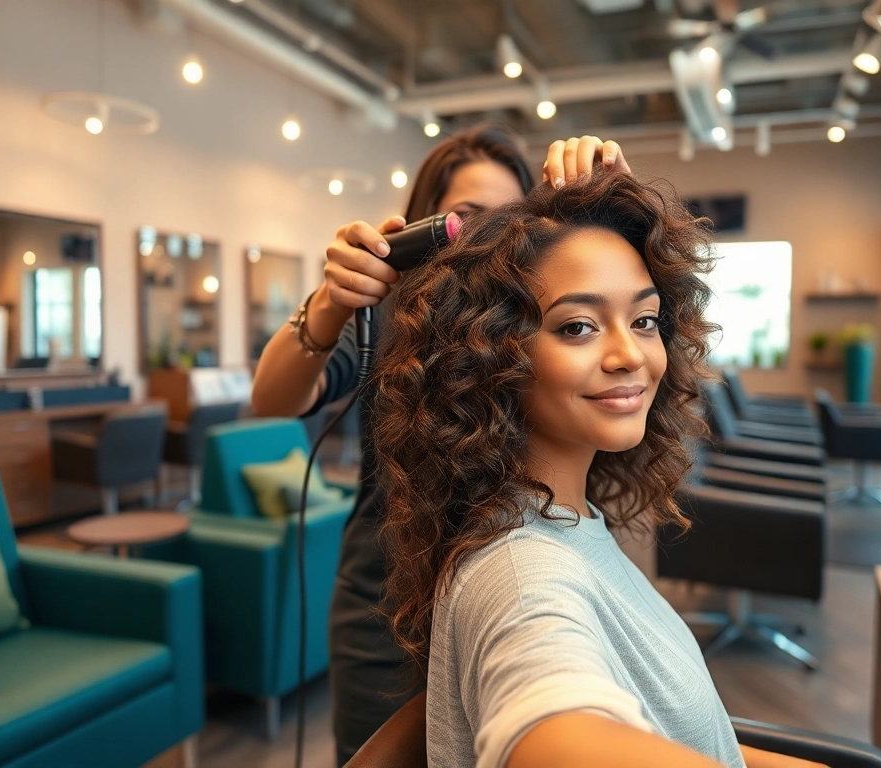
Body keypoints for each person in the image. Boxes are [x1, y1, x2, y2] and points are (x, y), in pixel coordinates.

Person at [369, 170, 824, 768]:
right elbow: (552, 735)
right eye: (577, 326)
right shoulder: (520, 576)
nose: (629, 355)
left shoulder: (570, 517)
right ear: (488, 357)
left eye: (644, 320)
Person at [251, 125, 631, 763]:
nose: (485, 238)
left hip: (518, 593)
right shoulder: (387, 318)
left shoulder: (546, 324)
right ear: (425, 225)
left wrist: (611, 200)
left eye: (506, 219)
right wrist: (330, 301)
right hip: (388, 618)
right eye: (465, 219)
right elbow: (272, 400)